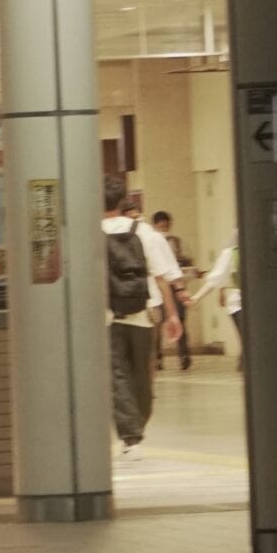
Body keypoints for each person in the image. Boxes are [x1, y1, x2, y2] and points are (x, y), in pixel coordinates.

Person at [103, 180, 180, 460]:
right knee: (143, 375)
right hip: (143, 313)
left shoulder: (92, 232)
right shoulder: (145, 232)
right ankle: (137, 429)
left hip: (108, 315)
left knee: (117, 375)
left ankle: (130, 436)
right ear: (124, 200)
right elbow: (161, 277)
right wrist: (172, 314)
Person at [188, 237, 245, 370]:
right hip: (238, 304)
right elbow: (215, 279)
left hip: (256, 304)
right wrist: (196, 297)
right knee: (249, 342)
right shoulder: (231, 253)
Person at [150, 211, 193, 371]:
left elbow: (189, 260)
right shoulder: (151, 242)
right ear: (155, 226)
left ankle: (184, 355)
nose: (164, 229)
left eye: (166, 226)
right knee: (158, 323)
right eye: (161, 226)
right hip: (158, 289)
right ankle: (158, 357)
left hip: (175, 287)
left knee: (180, 321)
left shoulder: (178, 242)